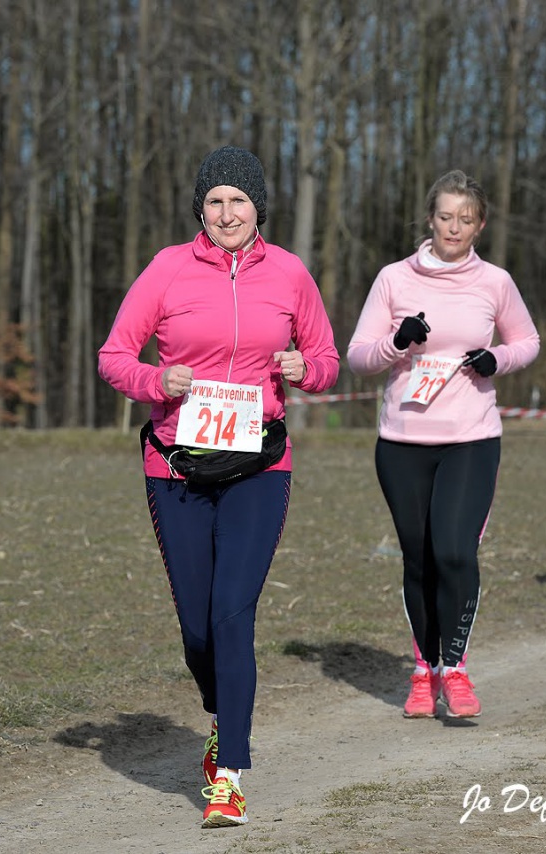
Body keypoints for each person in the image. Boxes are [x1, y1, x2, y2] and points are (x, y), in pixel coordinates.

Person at [97, 145, 339, 828]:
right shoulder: (166, 269)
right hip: (177, 466)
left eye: (239, 200)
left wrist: (303, 368)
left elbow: (326, 359)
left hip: (258, 466)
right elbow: (113, 357)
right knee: (197, 628)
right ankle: (220, 713)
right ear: (198, 209)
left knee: (232, 614)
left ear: (259, 207)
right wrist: (157, 380)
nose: (227, 213)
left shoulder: (289, 273)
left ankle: (228, 771)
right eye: (214, 201)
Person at [346, 170, 539, 720]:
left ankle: (454, 669)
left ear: (480, 225)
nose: (454, 227)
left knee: (454, 551)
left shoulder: (495, 282)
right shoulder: (393, 278)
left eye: (466, 219)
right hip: (402, 442)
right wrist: (396, 342)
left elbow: (527, 341)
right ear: (430, 219)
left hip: (470, 439)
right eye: (446, 216)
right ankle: (423, 670)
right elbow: (358, 356)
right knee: (420, 559)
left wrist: (497, 358)